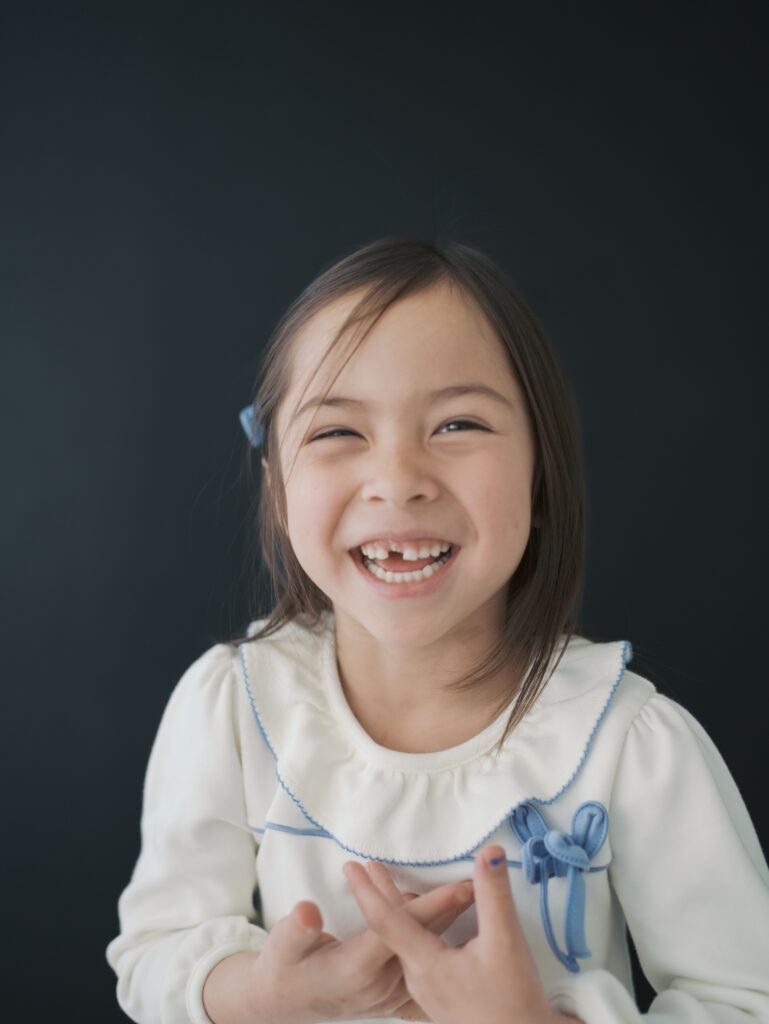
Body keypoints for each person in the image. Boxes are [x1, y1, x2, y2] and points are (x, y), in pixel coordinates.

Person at [107, 238, 769, 1024]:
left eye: (456, 424)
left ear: (541, 472)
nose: (398, 481)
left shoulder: (632, 744)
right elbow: (155, 951)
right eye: (336, 432)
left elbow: (744, 998)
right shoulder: (233, 708)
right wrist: (261, 992)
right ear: (278, 488)